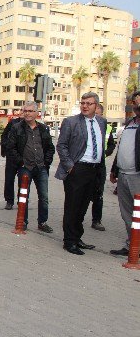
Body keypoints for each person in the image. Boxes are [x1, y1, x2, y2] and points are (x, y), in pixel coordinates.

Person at [55, 92, 107, 255]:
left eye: (89, 103)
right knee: (73, 206)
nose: (85, 106)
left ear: (96, 106)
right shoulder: (71, 122)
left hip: (94, 169)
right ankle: (69, 241)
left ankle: (77, 237)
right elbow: (61, 145)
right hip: (77, 169)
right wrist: (70, 166)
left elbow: (101, 145)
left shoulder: (102, 122)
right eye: (82, 103)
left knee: (84, 205)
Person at [6, 101, 55, 233]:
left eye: (30, 111)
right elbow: (10, 148)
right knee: (23, 196)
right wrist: (20, 162)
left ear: (36, 113)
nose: (27, 113)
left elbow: (50, 148)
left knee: (44, 196)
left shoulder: (43, 129)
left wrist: (47, 162)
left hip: (41, 168)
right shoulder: (17, 128)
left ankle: (42, 222)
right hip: (25, 168)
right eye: (25, 111)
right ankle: (23, 221)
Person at [109, 91, 140, 256]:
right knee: (126, 212)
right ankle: (132, 245)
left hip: (137, 175)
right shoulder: (129, 123)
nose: (136, 105)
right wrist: (114, 169)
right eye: (134, 102)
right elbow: (122, 147)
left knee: (138, 212)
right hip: (123, 174)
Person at [88, 103, 116, 231]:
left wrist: (104, 153)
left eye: (98, 114)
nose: (96, 117)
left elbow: (111, 145)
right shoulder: (85, 125)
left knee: (99, 193)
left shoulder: (107, 127)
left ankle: (97, 220)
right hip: (86, 164)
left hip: (100, 165)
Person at [0, 114, 23, 210]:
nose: (26, 113)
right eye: (24, 111)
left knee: (23, 180)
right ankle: (9, 200)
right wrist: (5, 147)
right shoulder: (13, 123)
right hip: (11, 156)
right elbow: (4, 136)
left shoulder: (32, 125)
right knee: (9, 179)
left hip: (24, 157)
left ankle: (21, 200)